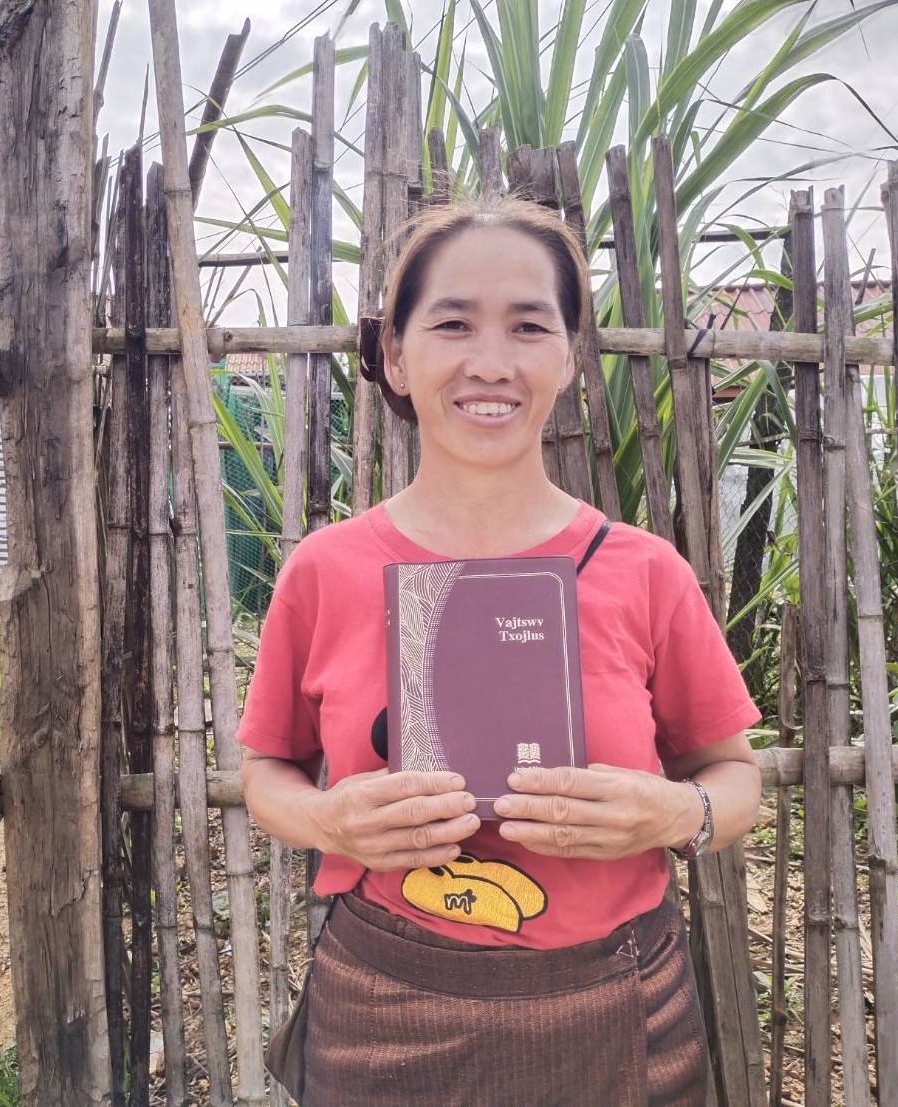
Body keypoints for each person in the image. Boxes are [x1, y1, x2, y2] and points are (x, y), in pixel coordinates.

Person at [237, 194, 763, 1106]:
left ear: (566, 356)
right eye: (452, 323)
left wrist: (672, 814)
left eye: (529, 326)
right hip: (381, 1010)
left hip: (619, 1006)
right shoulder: (326, 570)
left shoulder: (644, 572)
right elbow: (265, 771)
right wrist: (326, 822)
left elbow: (734, 775)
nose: (491, 362)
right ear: (395, 356)